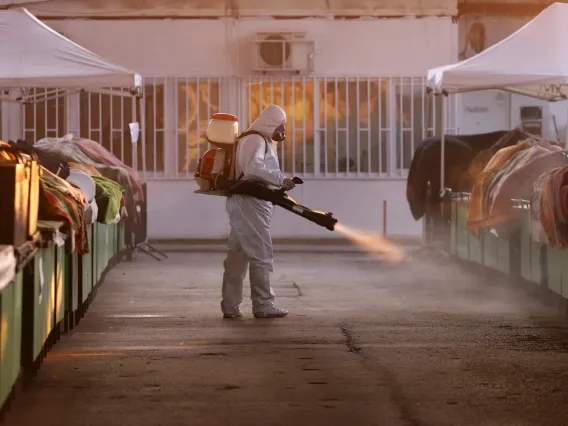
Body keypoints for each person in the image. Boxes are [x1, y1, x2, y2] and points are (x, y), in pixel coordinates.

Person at [221, 105, 296, 319]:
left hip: (249, 203)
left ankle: (230, 305)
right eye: (281, 124)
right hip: (250, 203)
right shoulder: (254, 140)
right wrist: (281, 179)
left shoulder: (259, 139)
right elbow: (253, 169)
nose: (283, 129)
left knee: (238, 254)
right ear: (271, 122)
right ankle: (263, 304)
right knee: (261, 254)